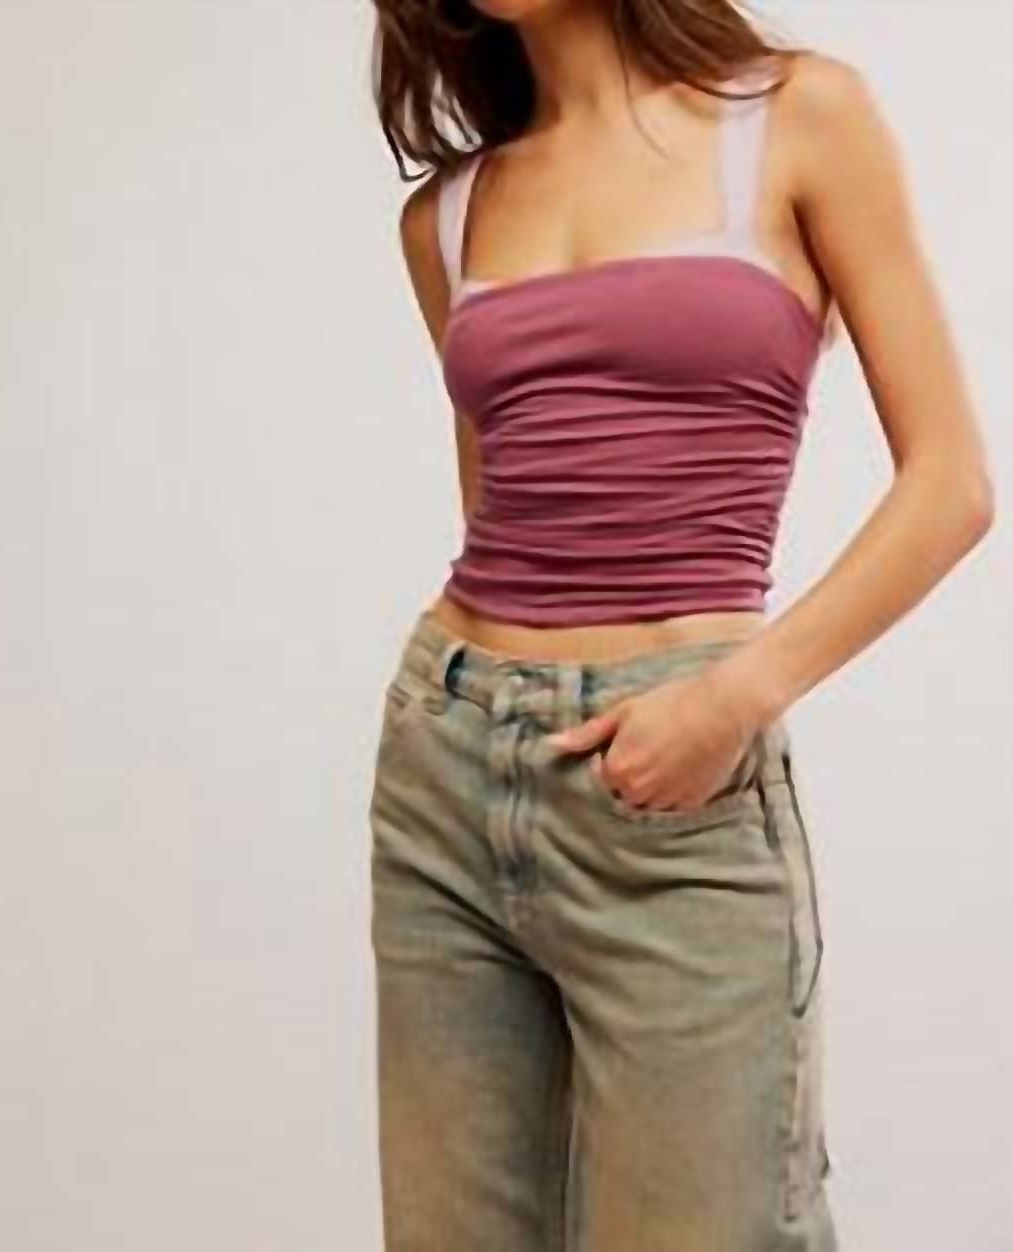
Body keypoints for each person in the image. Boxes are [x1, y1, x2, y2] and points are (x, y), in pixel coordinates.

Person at [366, 3, 995, 1250]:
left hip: (678, 787)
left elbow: (952, 485)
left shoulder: (798, 116)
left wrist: (732, 696)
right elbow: (506, 508)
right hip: (447, 765)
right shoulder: (445, 215)